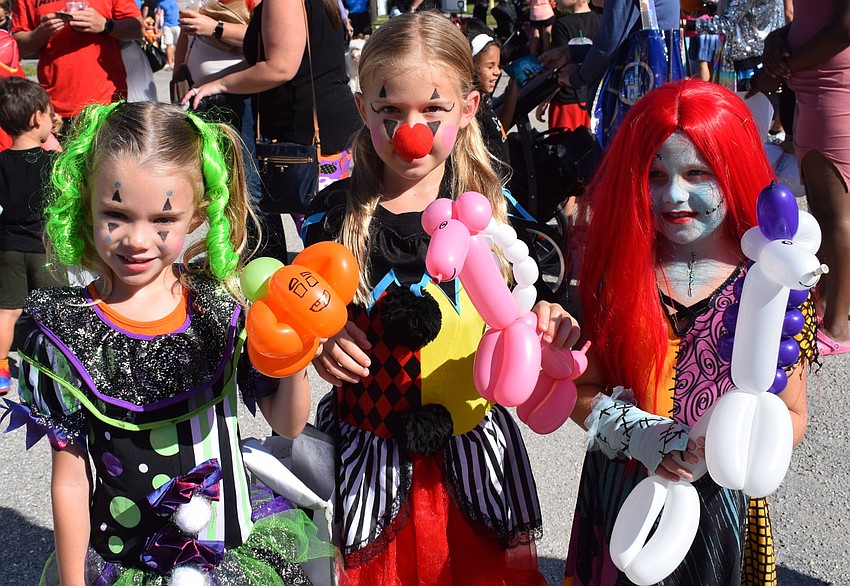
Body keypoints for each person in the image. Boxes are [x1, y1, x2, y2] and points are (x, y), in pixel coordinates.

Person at [302, 12, 580, 585]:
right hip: (371, 452)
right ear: (362, 109)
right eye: (389, 112)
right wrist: (319, 339)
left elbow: (530, 298)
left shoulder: (495, 212)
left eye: (434, 110)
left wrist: (547, 316)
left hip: (471, 454)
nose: (412, 131)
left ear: (470, 107)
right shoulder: (331, 219)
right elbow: (301, 307)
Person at [9, 101, 331, 585]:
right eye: (115, 214)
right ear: (84, 200)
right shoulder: (64, 330)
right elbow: (72, 478)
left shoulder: (222, 306)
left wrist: (295, 347)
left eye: (163, 221)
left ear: (197, 214)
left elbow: (288, 423)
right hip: (128, 560)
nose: (137, 240)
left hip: (231, 553)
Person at [563, 79, 811, 585]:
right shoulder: (618, 274)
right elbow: (581, 391)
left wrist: (731, 450)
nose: (674, 194)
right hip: (629, 496)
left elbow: (791, 410)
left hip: (722, 505)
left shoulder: (770, 281)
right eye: (655, 174)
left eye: (698, 172)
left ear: (735, 172)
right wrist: (644, 435)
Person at [184, 0, 362, 260]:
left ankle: (336, 294)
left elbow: (280, 67)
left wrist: (220, 84)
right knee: (328, 229)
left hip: (309, 132)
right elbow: (264, 61)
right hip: (321, 127)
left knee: (325, 237)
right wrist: (211, 82)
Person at [747, 0, 850, 354]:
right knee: (824, 211)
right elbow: (810, 18)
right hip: (812, 90)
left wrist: (778, 67)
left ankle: (837, 326)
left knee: (837, 217)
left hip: (833, 89)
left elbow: (844, 27)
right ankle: (822, 310)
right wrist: (778, 38)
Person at [0, 78, 66, 396]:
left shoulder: (0, 162)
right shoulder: (52, 163)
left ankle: (0, 366)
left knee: (8, 310)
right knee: (52, 307)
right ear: (35, 118)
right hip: (44, 248)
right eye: (48, 114)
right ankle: (56, 362)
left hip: (8, 247)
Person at [11, 0, 143, 123]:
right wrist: (42, 32)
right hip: (54, 107)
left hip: (106, 102)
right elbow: (18, 46)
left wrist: (106, 25)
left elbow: (138, 28)